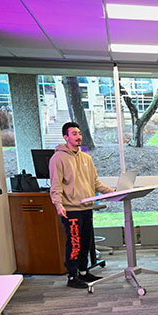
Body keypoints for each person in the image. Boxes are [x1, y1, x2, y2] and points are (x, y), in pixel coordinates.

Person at [49, 121, 114, 289]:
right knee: (75, 244)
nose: (78, 137)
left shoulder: (86, 158)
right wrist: (58, 204)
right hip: (71, 210)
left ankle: (84, 272)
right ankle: (72, 277)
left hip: (86, 208)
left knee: (86, 242)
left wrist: (113, 192)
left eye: (79, 133)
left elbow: (95, 183)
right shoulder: (58, 158)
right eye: (74, 134)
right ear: (66, 137)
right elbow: (55, 185)